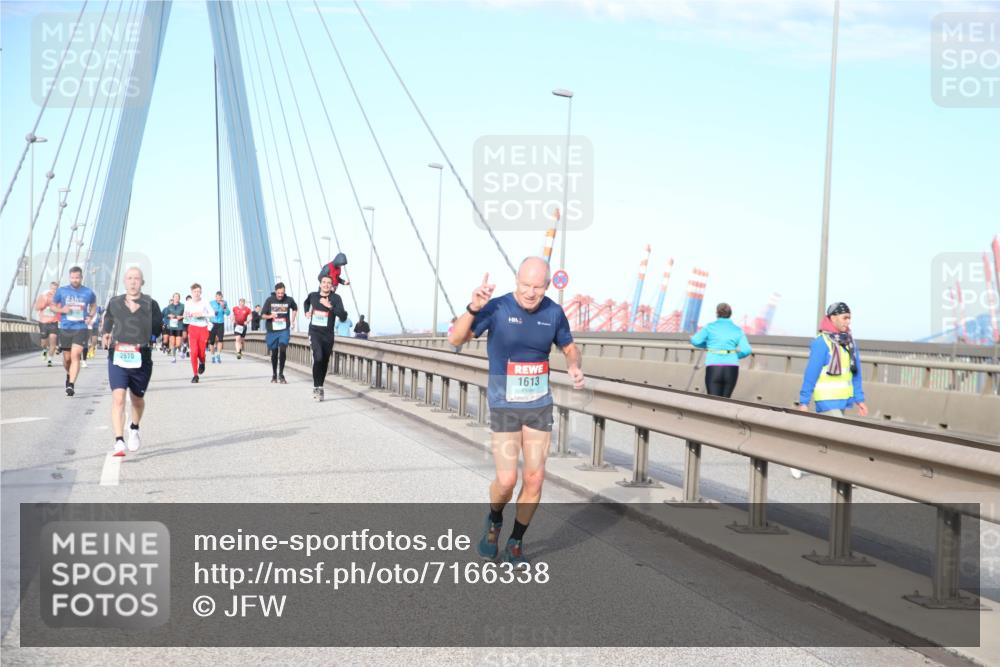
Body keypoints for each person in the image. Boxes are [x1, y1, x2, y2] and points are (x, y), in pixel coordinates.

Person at [448, 258, 585, 565]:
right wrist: (473, 308)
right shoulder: (496, 308)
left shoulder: (554, 312)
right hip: (504, 403)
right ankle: (494, 519)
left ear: (547, 286)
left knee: (535, 478)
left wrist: (574, 365)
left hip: (538, 404)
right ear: (516, 281)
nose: (531, 293)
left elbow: (569, 346)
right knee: (507, 480)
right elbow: (455, 339)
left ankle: (516, 541)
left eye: (538, 287)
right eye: (525, 285)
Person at [792, 301, 868, 479]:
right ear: (832, 318)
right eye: (844, 317)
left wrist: (859, 399)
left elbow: (855, 372)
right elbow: (811, 373)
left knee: (826, 437)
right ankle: (845, 475)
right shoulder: (821, 343)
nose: (848, 322)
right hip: (826, 398)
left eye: (849, 318)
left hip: (843, 399)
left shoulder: (849, 343)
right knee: (841, 436)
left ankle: (798, 460)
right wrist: (804, 401)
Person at [102, 267, 162, 457]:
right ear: (124, 282)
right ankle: (119, 441)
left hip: (141, 356)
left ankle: (134, 427)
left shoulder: (150, 304)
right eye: (129, 278)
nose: (133, 281)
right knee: (118, 398)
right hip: (118, 354)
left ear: (142, 282)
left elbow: (158, 327)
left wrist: (149, 336)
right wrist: (105, 333)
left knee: (137, 399)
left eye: (137, 278)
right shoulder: (115, 302)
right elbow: (108, 319)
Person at [689, 303, 752, 398]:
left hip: (714, 366)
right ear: (730, 314)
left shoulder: (710, 327)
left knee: (713, 401)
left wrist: (709, 346)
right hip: (731, 368)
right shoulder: (737, 330)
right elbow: (747, 350)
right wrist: (734, 356)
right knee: (726, 401)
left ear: (717, 313)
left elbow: (695, 341)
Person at [51, 266, 97, 397]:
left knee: (76, 355)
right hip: (65, 327)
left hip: (80, 328)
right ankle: (69, 373)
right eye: (72, 277)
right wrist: (62, 310)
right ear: (69, 277)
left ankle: (71, 384)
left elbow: (94, 305)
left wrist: (90, 316)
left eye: (77, 277)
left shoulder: (88, 292)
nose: (75, 280)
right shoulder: (62, 291)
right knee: (67, 359)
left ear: (81, 278)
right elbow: (53, 306)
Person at [304, 276, 348, 401]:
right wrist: (306, 311)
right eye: (324, 282)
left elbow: (343, 316)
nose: (326, 285)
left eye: (329, 283)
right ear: (320, 284)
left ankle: (320, 386)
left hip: (328, 335)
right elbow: (306, 303)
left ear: (332, 285)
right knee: (318, 357)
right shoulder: (313, 296)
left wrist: (330, 306)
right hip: (315, 332)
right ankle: (316, 387)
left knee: (324, 361)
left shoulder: (336, 298)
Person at [261, 282, 297, 384]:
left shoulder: (289, 300)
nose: (281, 295)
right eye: (279, 293)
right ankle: (274, 374)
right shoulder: (269, 300)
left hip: (284, 330)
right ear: (275, 291)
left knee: (282, 349)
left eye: (282, 293)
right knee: (274, 353)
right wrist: (270, 316)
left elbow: (295, 308)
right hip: (272, 331)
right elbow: (262, 315)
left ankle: (281, 374)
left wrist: (292, 320)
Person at [183, 284, 214, 383]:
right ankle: (195, 375)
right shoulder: (188, 303)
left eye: (198, 291)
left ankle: (203, 362)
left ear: (201, 292)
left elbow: (212, 313)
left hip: (203, 328)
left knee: (201, 352)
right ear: (191, 292)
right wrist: (189, 315)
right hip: (192, 328)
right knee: (194, 352)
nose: (197, 293)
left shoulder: (204, 301)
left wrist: (202, 314)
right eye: (195, 291)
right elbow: (186, 317)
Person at [34, 282, 60, 366]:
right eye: (53, 289)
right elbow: (37, 308)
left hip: (54, 322)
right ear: (50, 288)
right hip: (43, 322)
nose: (54, 291)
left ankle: (50, 360)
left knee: (53, 340)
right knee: (43, 342)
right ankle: (44, 350)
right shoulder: (44, 295)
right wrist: (45, 303)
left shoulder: (59, 297)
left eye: (55, 289)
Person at [161, 293, 185, 363]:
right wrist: (170, 315)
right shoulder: (169, 306)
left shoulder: (182, 306)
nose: (176, 298)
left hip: (179, 326)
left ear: (179, 298)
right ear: (173, 298)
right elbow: (166, 315)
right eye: (175, 297)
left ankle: (180, 351)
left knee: (178, 344)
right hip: (171, 326)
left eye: (178, 297)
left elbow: (186, 314)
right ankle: (173, 358)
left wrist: (181, 317)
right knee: (172, 343)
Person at [209, 291, 230, 364]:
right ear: (215, 297)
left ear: (222, 298)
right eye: (217, 297)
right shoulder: (211, 303)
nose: (218, 299)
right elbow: (207, 312)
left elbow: (228, 313)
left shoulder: (224, 303)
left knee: (220, 340)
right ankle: (212, 356)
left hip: (221, 323)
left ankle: (218, 355)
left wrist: (224, 307)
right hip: (212, 323)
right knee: (212, 341)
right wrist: (213, 312)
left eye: (220, 298)